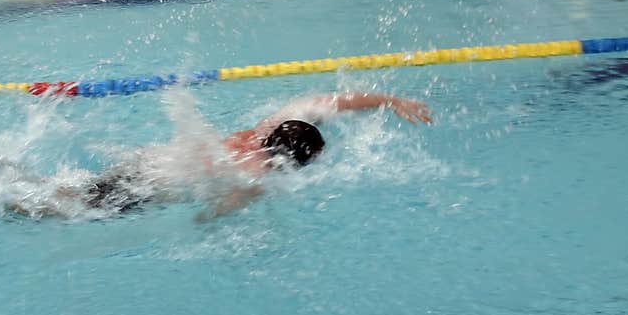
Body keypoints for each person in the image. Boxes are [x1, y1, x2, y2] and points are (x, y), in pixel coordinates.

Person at [32, 91, 432, 220]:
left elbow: (325, 101)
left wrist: (389, 100)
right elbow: (210, 218)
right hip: (148, 189)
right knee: (57, 211)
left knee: (69, 192)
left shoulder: (259, 131)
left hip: (147, 162)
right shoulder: (257, 179)